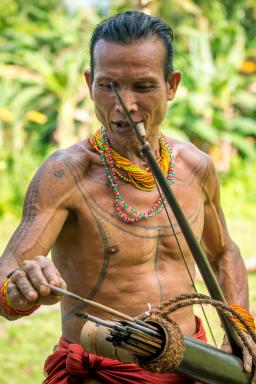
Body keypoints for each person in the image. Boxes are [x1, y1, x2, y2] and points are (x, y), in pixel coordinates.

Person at [0, 10, 255, 384]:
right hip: (102, 372)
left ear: (172, 85)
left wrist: (240, 326)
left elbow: (222, 253)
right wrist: (20, 288)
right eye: (108, 85)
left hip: (194, 364)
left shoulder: (196, 167)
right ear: (89, 84)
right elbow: (9, 269)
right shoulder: (65, 174)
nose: (125, 104)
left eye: (143, 86)